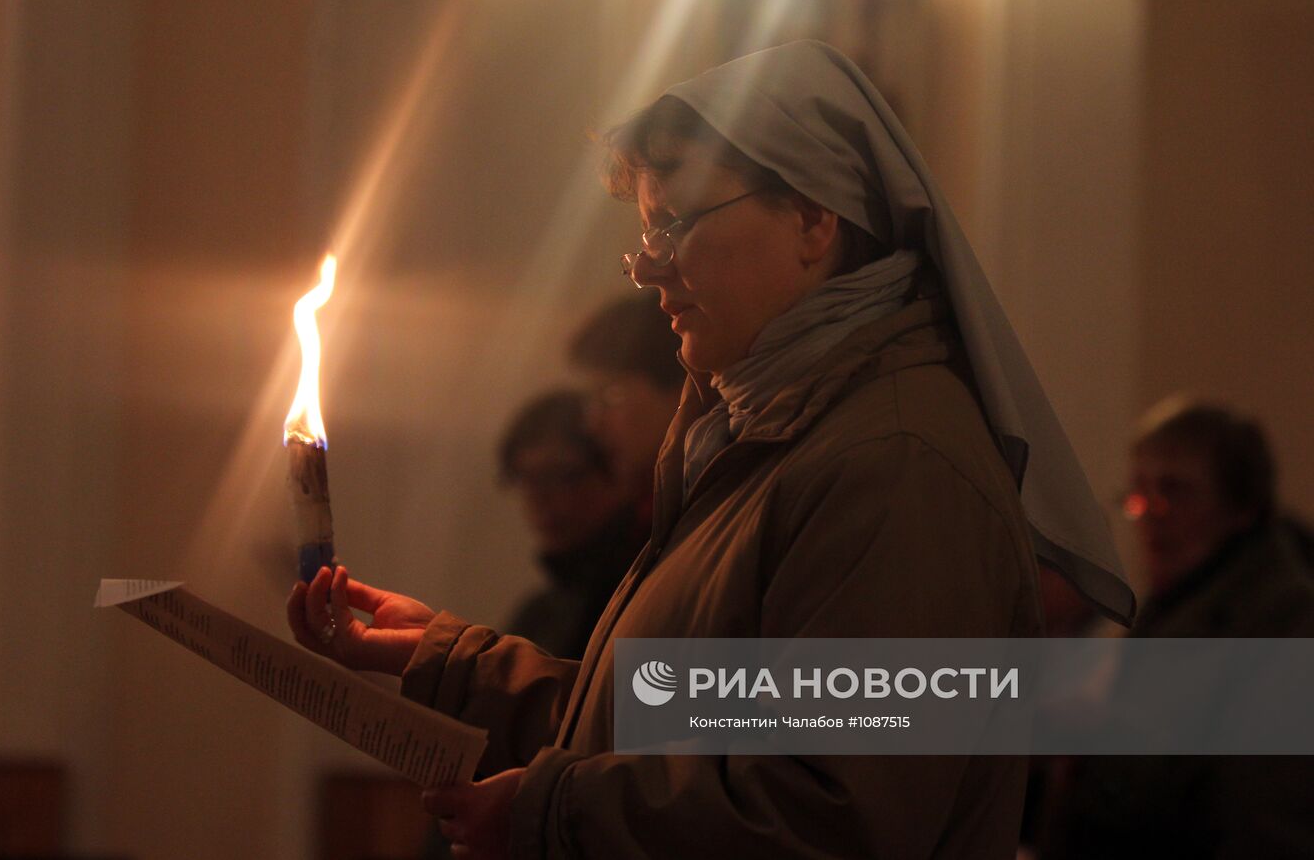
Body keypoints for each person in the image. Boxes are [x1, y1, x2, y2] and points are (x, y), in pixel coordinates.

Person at [287, 41, 1133, 859]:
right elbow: (677, 720)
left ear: (811, 218)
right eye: (644, 235)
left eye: (679, 224)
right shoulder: (765, 433)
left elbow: (834, 812)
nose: (649, 269)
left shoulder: (896, 463)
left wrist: (553, 817)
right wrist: (449, 661)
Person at [1037, 397, 1314, 859]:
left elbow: (1265, 821)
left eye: (1175, 490)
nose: (1148, 512)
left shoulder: (1285, 626)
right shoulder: (1183, 601)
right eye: (1138, 492)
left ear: (1242, 507)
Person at [497, 389, 641, 660]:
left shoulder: (647, 592)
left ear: (618, 466)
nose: (540, 498)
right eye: (527, 479)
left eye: (562, 476)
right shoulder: (539, 616)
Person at [567, 293, 683, 530]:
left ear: (680, 389)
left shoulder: (710, 504)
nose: (593, 423)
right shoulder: (651, 512)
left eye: (612, 395)